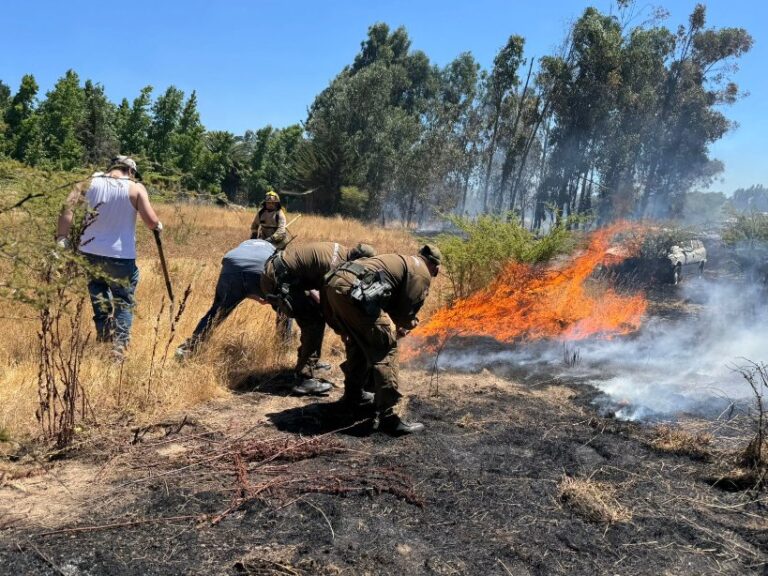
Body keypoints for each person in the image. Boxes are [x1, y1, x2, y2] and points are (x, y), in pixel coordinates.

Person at [322, 244, 441, 434]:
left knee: (358, 345)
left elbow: (389, 299)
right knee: (386, 349)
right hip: (354, 292)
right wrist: (407, 325)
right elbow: (405, 313)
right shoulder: (421, 272)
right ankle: (388, 417)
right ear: (435, 267)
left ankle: (352, 399)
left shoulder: (404, 260)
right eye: (436, 272)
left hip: (335, 285)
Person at [56, 156, 162, 358]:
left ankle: (104, 337)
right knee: (123, 300)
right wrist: (158, 226)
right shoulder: (135, 187)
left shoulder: (89, 181)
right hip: (120, 256)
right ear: (130, 171)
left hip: (89, 253)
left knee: (98, 292)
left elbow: (67, 207)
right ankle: (118, 349)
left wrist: (62, 238)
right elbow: (150, 221)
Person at [260, 241, 377, 394]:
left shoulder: (341, 251)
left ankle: (309, 361)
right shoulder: (336, 266)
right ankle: (305, 378)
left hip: (284, 276)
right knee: (313, 323)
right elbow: (329, 307)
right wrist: (343, 331)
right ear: (358, 260)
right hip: (279, 281)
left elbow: (321, 296)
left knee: (314, 315)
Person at [176, 239, 275, 356]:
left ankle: (191, 348)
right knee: (284, 308)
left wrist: (254, 296)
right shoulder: (273, 248)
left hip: (231, 269)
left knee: (216, 311)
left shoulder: (245, 244)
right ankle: (284, 345)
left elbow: (241, 281)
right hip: (261, 270)